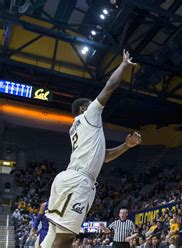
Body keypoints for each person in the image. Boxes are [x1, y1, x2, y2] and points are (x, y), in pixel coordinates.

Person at [41, 50, 141, 248]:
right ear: (83, 109)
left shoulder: (80, 129)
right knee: (66, 238)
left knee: (54, 237)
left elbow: (103, 157)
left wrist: (126, 146)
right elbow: (110, 86)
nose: (96, 105)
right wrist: (123, 65)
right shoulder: (88, 116)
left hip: (72, 178)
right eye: (91, 104)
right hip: (78, 181)